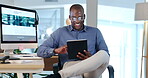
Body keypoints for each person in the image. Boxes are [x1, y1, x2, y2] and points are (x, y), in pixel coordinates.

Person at [37, 4, 110, 78]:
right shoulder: (60, 32)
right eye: (74, 18)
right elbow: (40, 51)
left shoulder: (95, 32)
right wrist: (56, 51)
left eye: (80, 17)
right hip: (70, 65)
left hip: (91, 67)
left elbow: (106, 55)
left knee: (104, 54)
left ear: (84, 17)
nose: (77, 21)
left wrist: (92, 58)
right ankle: (61, 75)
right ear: (70, 18)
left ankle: (59, 76)